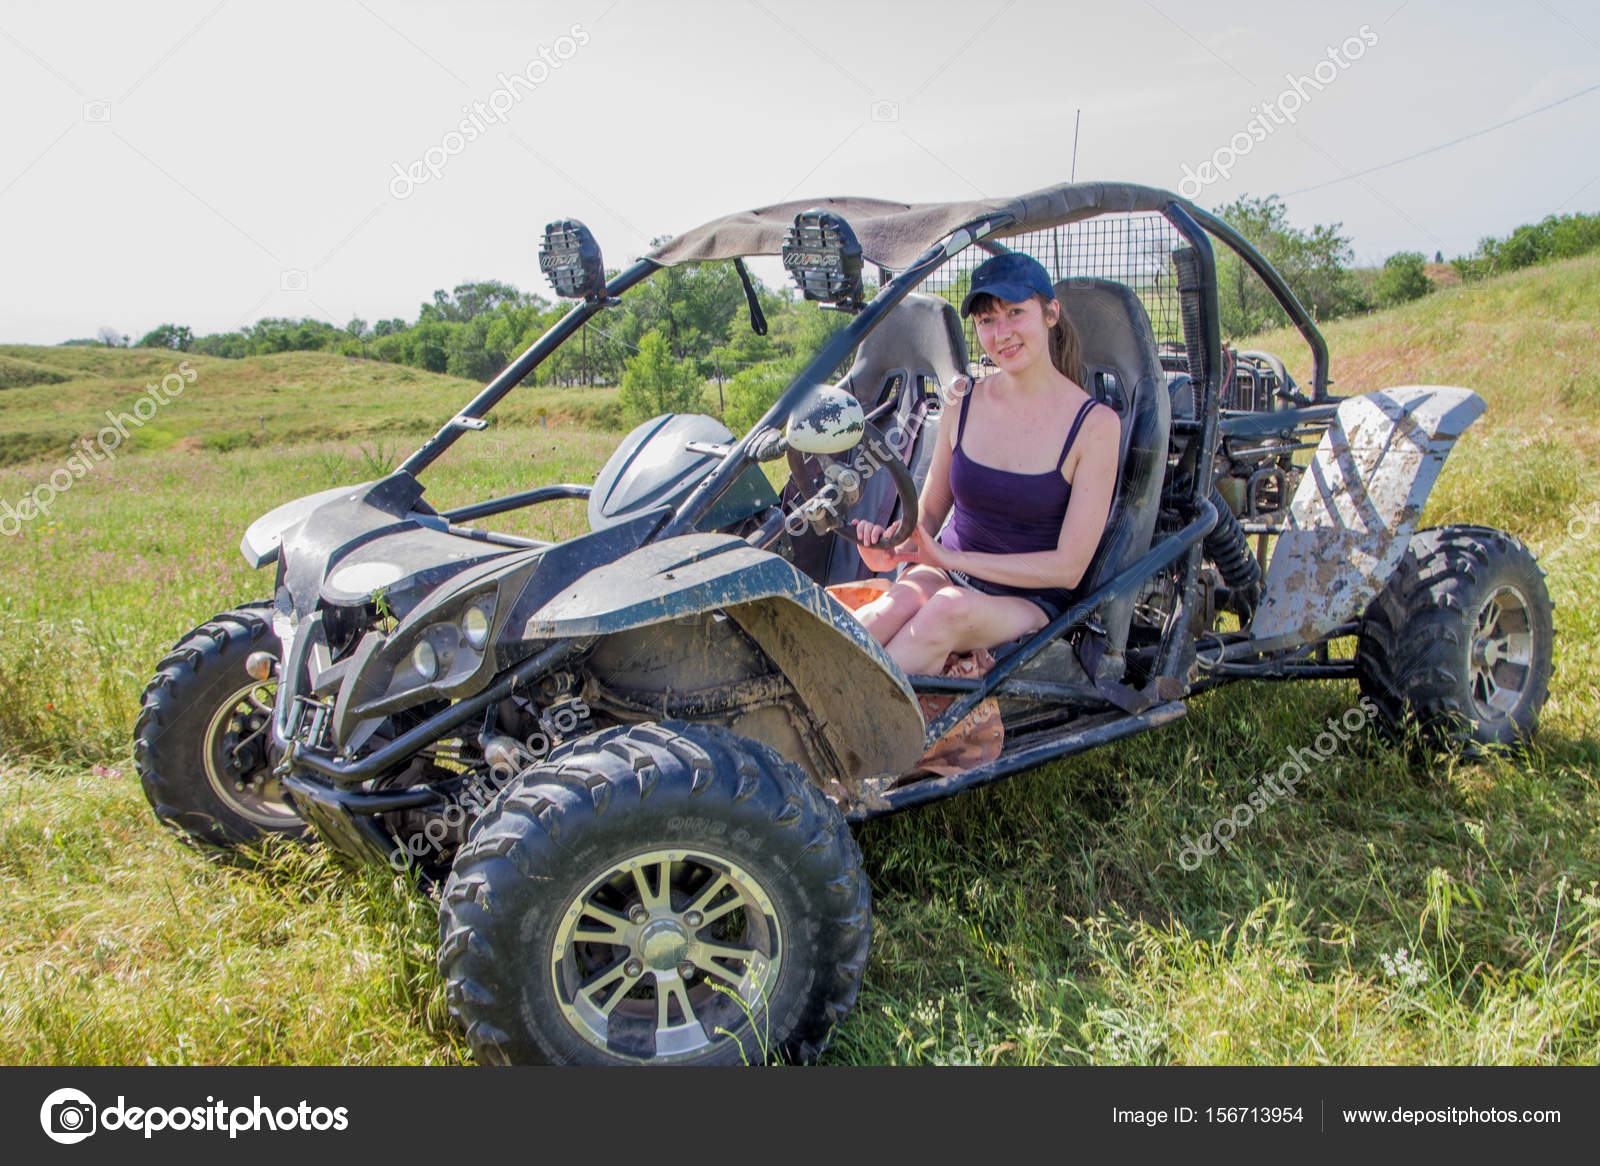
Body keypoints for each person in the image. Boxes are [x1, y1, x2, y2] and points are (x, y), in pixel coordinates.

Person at [849, 251, 1120, 677]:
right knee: (888, 610)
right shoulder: (963, 397)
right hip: (948, 568)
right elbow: (933, 506)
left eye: (1015, 313)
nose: (1002, 333)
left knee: (943, 614)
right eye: (987, 320)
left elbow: (1068, 570)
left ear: (1051, 313)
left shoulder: (1095, 426)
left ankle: (847, 733)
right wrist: (895, 544)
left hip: (1028, 599)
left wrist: (948, 560)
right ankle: (794, 704)